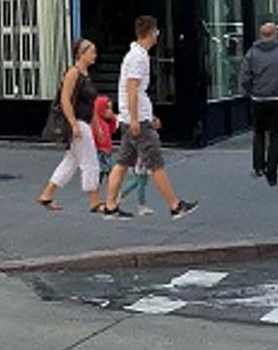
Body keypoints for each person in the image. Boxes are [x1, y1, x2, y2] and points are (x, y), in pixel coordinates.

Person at [100, 16, 193, 218]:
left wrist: (145, 116)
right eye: (156, 31)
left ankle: (110, 206)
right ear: (150, 32)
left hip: (134, 118)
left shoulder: (135, 55)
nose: (158, 34)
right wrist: (137, 119)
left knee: (123, 162)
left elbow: (135, 92)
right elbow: (132, 89)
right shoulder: (138, 58)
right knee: (155, 163)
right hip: (137, 121)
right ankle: (175, 205)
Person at [39, 38, 101, 212]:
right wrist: (73, 124)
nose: (95, 55)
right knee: (90, 160)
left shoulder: (86, 75)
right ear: (81, 53)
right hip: (77, 122)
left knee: (71, 161)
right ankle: (94, 200)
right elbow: (65, 100)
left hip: (84, 121)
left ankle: (47, 194)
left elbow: (90, 103)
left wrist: (96, 123)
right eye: (92, 52)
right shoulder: (73, 73)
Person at [240, 21, 278, 187]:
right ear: (275, 34)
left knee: (259, 133)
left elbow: (245, 77)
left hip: (258, 99)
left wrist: (251, 91)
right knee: (276, 135)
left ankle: (258, 166)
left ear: (261, 35)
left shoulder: (252, 53)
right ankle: (272, 171)